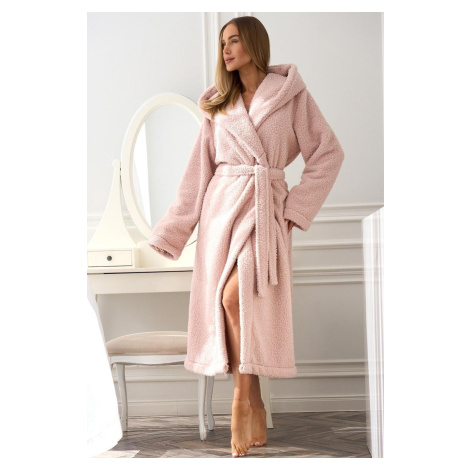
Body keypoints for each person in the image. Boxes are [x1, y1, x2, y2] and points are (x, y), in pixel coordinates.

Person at [148, 16, 345, 458]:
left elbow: (328, 153)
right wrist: (174, 230)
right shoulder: (218, 104)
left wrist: (295, 210)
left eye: (234, 40)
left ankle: (238, 402)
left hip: (264, 210)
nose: (226, 50)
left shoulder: (292, 96)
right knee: (231, 301)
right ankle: (254, 400)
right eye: (222, 42)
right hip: (222, 210)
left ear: (254, 44)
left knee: (237, 297)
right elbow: (198, 171)